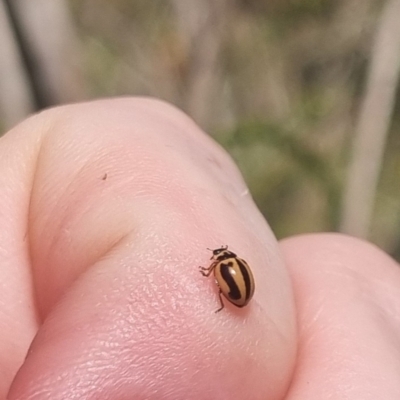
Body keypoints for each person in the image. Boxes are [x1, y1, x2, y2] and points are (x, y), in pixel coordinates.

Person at [2, 98, 400, 399]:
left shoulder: (223, 268)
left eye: (217, 260)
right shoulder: (231, 265)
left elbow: (224, 285)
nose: (216, 262)